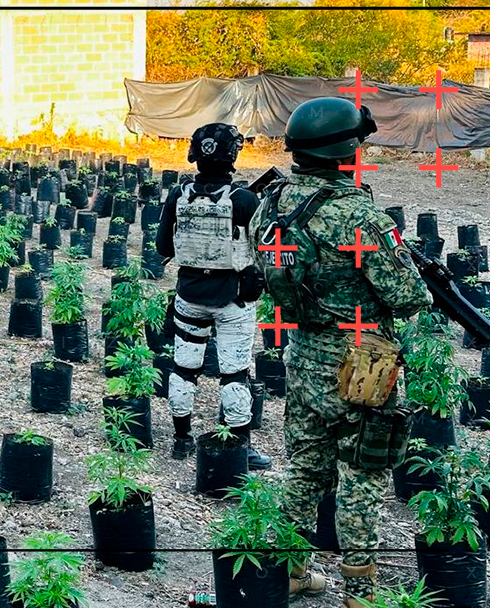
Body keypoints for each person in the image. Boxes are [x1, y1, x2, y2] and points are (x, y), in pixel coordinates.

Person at [248, 98, 432, 607]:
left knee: (305, 467)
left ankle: (291, 572)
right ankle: (359, 592)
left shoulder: (273, 202)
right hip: (362, 363)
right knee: (363, 473)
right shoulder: (357, 214)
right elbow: (410, 296)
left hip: (303, 351)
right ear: (348, 151)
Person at [156, 123, 271, 470]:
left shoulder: (179, 196)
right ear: (232, 155)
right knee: (235, 373)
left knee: (183, 368)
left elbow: (163, 247)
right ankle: (241, 449)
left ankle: (181, 439)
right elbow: (264, 249)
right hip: (233, 300)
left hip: (189, 295)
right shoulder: (245, 200)